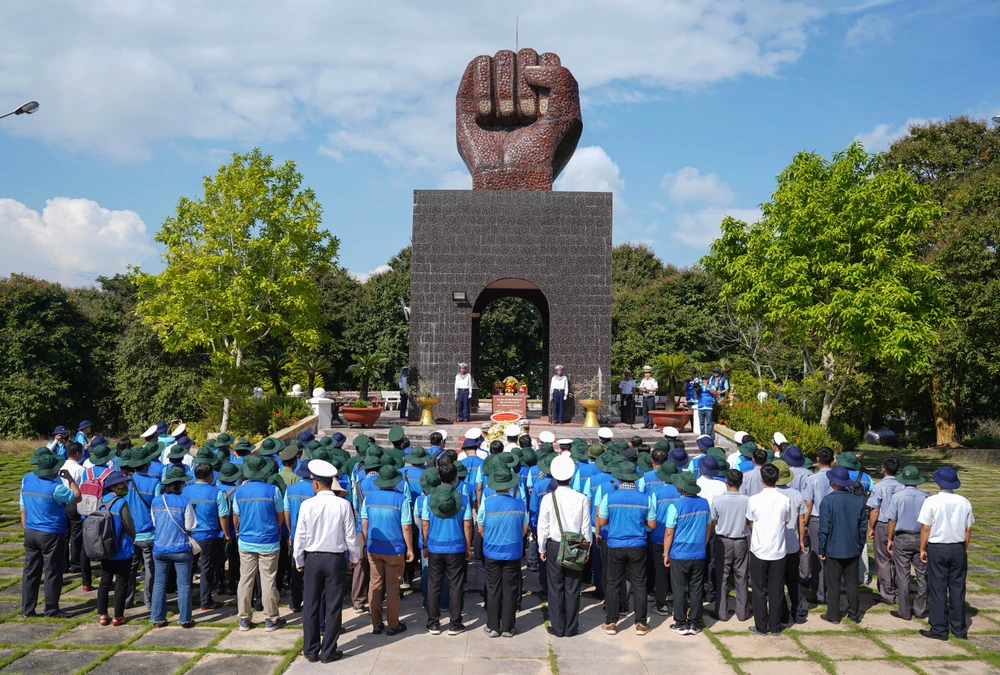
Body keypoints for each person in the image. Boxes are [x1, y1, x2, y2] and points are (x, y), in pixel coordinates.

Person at [294, 459, 359, 664]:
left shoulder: (307, 505)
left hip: (313, 558)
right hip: (335, 559)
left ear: (315, 484)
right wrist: (355, 557)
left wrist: (299, 559)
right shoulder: (343, 504)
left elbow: (300, 536)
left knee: (311, 605)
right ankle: (328, 650)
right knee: (333, 606)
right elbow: (351, 536)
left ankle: (311, 649)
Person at [597, 462, 656, 636]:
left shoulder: (610, 497)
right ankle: (640, 624)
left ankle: (611, 622)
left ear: (619, 478)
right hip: (638, 545)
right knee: (639, 584)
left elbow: (602, 522)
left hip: (615, 545)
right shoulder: (645, 498)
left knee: (613, 584)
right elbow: (652, 524)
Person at [21, 451, 81, 618]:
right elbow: (77, 497)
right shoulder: (56, 488)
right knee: (53, 572)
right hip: (51, 533)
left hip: (31, 531)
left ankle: (27, 609)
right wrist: (70, 479)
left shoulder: (27, 479)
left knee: (30, 572)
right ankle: (52, 609)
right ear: (54, 471)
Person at [537, 455, 591, 638]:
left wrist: (541, 548)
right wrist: (587, 549)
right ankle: (571, 627)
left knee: (555, 587)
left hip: (554, 545)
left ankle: (558, 627)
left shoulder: (548, 498)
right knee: (573, 586)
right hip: (575, 545)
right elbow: (585, 527)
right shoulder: (581, 498)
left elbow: (542, 527)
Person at [233, 455, 288, 632]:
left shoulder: (239, 491)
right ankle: (271, 618)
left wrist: (238, 531)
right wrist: (275, 529)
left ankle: (244, 618)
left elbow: (237, 516)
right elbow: (280, 515)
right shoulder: (273, 490)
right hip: (269, 541)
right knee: (268, 580)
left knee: (245, 580)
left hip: (246, 541)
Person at [918, 466, 974, 641]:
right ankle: (959, 629)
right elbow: (968, 529)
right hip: (957, 547)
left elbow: (926, 527)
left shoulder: (931, 501)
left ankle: (939, 628)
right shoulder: (964, 501)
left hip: (938, 547)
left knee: (938, 588)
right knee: (958, 589)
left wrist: (922, 548)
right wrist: (963, 547)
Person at [422, 461, 473, 635]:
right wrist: (468, 547)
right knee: (456, 586)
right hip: (456, 546)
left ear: (438, 477)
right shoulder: (463, 500)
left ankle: (433, 623)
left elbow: (425, 524)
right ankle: (455, 623)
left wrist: (425, 544)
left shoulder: (428, 499)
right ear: (455, 478)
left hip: (435, 546)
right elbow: (467, 526)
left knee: (434, 585)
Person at [361, 464, 413, 636]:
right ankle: (393, 624)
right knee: (392, 587)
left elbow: (365, 523)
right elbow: (406, 527)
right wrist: (410, 548)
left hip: (374, 547)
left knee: (374, 585)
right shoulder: (401, 499)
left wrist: (367, 541)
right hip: (395, 549)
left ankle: (376, 623)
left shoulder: (369, 498)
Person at [479, 465, 529, 637]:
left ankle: (493, 626)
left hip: (491, 551)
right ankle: (508, 627)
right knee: (510, 588)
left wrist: (492, 539)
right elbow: (524, 530)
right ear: (510, 485)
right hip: (513, 551)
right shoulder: (520, 504)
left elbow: (480, 527)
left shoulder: (486, 504)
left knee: (492, 588)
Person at [662, 470, 711, 636]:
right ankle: (695, 622)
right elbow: (708, 527)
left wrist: (665, 553)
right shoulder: (704, 504)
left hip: (679, 553)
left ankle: (681, 622)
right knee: (696, 588)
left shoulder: (675, 506)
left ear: (681, 488)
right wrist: (702, 545)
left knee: (679, 589)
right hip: (698, 552)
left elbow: (669, 532)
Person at [746, 464, 791, 636]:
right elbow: (786, 520)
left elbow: (750, 520)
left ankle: (761, 625)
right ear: (778, 479)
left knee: (759, 590)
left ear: (761, 479)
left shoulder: (753, 500)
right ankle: (775, 626)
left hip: (759, 549)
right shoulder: (784, 500)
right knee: (776, 589)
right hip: (778, 550)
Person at [818, 466, 867, 624]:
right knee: (852, 583)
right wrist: (860, 546)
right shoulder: (858, 501)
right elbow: (862, 527)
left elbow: (824, 528)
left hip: (833, 548)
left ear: (832, 482)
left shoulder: (828, 501)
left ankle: (833, 615)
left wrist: (821, 548)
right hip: (852, 548)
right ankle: (854, 613)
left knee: (833, 584)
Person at [150, 465, 197, 628]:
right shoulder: (185, 502)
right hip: (181, 549)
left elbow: (155, 523)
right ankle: (184, 619)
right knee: (183, 585)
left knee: (159, 584)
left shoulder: (156, 501)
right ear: (179, 485)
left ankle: (158, 618)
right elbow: (191, 525)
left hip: (159, 548)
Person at [885, 465, 929, 622]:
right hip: (921, 538)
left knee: (902, 575)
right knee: (923, 574)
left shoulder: (897, 497)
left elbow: (892, 520)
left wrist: (889, 539)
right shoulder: (926, 497)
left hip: (902, 538)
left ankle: (904, 610)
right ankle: (920, 608)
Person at [183, 462, 229, 611]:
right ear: (210, 476)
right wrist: (226, 534)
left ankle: (185, 599)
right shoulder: (216, 492)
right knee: (206, 568)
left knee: (189, 567)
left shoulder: (185, 491)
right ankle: (206, 601)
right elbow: (223, 516)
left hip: (190, 535)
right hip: (209, 536)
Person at [96, 471, 135, 626]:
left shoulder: (101, 501)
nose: (125, 486)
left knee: (105, 580)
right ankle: (118, 616)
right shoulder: (121, 503)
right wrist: (133, 536)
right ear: (114, 486)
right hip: (121, 548)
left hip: (104, 548)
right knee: (121, 581)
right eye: (122, 484)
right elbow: (129, 525)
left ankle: (103, 615)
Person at [711, 469, 751, 622]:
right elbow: (749, 520)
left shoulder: (718, 500)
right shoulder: (747, 500)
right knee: (742, 577)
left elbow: (713, 521)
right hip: (741, 540)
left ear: (726, 482)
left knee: (722, 576)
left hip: (723, 541)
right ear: (741, 483)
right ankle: (742, 612)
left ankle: (721, 612)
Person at [773, 460, 808, 625]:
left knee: (777, 581)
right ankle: (798, 613)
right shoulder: (796, 494)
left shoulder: (770, 494)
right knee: (794, 581)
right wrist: (801, 541)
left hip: (775, 544)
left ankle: (782, 614)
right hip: (793, 543)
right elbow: (802, 521)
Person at [867, 456, 903, 605]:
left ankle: (887, 593)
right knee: (898, 560)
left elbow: (875, 509)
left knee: (883, 560)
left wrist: (871, 527)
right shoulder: (903, 485)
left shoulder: (879, 486)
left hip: (883, 524)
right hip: (900, 526)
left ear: (883, 470)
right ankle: (900, 590)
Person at [802, 446, 835, 604]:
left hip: (817, 519)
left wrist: (804, 522)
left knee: (817, 557)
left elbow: (808, 503)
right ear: (832, 460)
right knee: (831, 557)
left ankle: (819, 593)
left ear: (817, 459)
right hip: (834, 520)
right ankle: (831, 591)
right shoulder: (837, 477)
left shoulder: (812, 479)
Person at [62, 442, 86, 575]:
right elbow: (82, 489)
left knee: (64, 535)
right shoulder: (80, 469)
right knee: (76, 535)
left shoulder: (61, 466)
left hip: (62, 504)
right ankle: (76, 563)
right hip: (74, 503)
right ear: (78, 454)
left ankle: (64, 564)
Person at [696, 374, 719, 439]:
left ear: (708, 380)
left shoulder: (711, 386)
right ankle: (702, 436)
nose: (704, 380)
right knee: (701, 423)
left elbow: (715, 392)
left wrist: (708, 386)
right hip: (701, 406)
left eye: (705, 379)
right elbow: (696, 396)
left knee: (709, 423)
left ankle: (709, 436)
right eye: (703, 379)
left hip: (708, 407)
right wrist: (694, 389)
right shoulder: (699, 386)